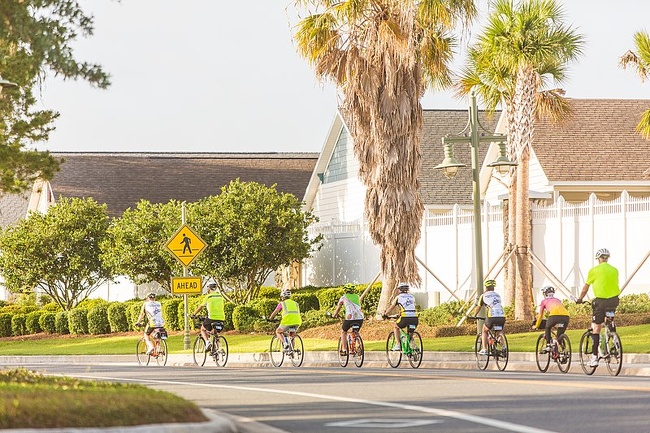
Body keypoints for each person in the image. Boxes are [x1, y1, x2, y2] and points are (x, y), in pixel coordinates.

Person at [577, 248, 621, 367]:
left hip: (600, 301)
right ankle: (615, 340)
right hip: (614, 300)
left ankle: (595, 357)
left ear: (599, 258)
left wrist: (580, 298)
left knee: (596, 328)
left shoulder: (594, 270)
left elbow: (586, 288)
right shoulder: (614, 270)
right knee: (610, 318)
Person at [470, 279, 506, 356]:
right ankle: (503, 346)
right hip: (502, 316)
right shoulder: (498, 295)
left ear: (486, 287)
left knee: (484, 330)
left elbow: (478, 307)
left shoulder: (483, 296)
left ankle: (484, 349)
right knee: (498, 332)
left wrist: (474, 315)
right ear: (494, 287)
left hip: (492, 316)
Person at [332, 284, 365, 356]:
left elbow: (338, 308)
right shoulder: (357, 296)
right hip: (360, 318)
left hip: (350, 318)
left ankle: (344, 349)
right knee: (356, 332)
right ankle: (360, 347)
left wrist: (334, 315)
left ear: (345, 290)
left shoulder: (343, 298)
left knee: (344, 332)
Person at [533, 286, 570, 351]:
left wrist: (536, 325)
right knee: (559, 336)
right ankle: (562, 351)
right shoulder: (558, 300)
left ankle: (548, 345)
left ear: (545, 294)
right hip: (566, 316)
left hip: (554, 316)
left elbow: (540, 315)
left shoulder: (544, 301)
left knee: (547, 327)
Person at [191, 282, 225, 352]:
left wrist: (194, 314)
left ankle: (207, 342)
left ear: (209, 288)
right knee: (214, 333)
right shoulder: (220, 296)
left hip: (211, 318)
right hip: (221, 318)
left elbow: (201, 307)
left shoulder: (209, 296)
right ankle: (220, 348)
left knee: (203, 329)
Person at [384, 282, 418, 351]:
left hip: (405, 318)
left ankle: (398, 344)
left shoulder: (398, 297)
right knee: (410, 333)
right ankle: (412, 344)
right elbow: (410, 307)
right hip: (415, 318)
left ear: (399, 290)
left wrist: (385, 314)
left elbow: (391, 307)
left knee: (395, 327)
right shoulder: (412, 297)